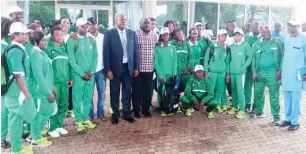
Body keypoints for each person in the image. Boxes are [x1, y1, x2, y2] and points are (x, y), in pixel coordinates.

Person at [4, 22, 37, 154]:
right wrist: (26, 92)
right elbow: (18, 76)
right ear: (15, 35)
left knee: (16, 118)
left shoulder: (17, 48)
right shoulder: (16, 51)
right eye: (24, 33)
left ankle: (17, 146)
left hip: (15, 90)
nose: (27, 35)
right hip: (16, 91)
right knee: (16, 119)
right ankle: (16, 149)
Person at [103, 13, 140, 124]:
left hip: (128, 67)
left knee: (127, 91)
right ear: (116, 20)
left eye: (125, 19)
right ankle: (115, 115)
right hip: (114, 69)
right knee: (114, 92)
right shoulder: (109, 33)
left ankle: (127, 113)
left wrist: (136, 67)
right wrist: (108, 69)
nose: (124, 21)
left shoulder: (131, 33)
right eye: (122, 19)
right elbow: (106, 53)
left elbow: (135, 52)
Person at [67, 17, 97, 131]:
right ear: (77, 27)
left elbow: (95, 57)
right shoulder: (72, 41)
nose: (85, 28)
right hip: (78, 76)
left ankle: (85, 119)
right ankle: (78, 121)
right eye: (83, 26)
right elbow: (71, 60)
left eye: (86, 26)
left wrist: (91, 71)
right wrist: (81, 74)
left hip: (90, 75)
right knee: (77, 98)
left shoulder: (91, 40)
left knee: (88, 98)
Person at [251, 25, 283, 125]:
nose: (267, 33)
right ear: (261, 32)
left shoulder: (277, 42)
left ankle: (276, 116)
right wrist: (254, 72)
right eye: (264, 32)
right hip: (260, 72)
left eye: (268, 31)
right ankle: (259, 111)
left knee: (274, 94)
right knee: (258, 93)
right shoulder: (257, 44)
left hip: (273, 72)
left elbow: (282, 56)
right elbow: (253, 59)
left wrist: (280, 70)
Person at [28, 31, 55, 147]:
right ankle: (35, 139)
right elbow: (38, 75)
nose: (46, 41)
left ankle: (34, 135)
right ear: (36, 42)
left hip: (45, 89)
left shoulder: (41, 53)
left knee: (46, 112)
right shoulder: (35, 53)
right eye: (43, 40)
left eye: (45, 39)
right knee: (39, 114)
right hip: (40, 91)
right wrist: (48, 92)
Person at [280, 20, 306, 131]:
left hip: (298, 73)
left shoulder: (304, 38)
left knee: (296, 98)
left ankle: (295, 121)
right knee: (287, 97)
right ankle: (288, 118)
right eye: (289, 26)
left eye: (293, 26)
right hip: (286, 72)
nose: (291, 28)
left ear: (298, 26)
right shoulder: (286, 38)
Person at [46, 27, 72, 137]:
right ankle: (52, 128)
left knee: (63, 105)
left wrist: (70, 78)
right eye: (57, 35)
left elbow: (68, 65)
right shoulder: (49, 48)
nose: (60, 37)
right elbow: (47, 69)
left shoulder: (65, 48)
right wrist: (51, 85)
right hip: (55, 83)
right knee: (54, 106)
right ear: (52, 36)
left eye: (61, 35)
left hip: (65, 82)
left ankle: (59, 125)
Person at [132, 17, 158, 118]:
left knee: (147, 91)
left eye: (149, 23)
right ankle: (136, 110)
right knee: (136, 91)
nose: (147, 24)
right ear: (140, 23)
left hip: (150, 69)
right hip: (138, 69)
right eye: (145, 22)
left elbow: (156, 51)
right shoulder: (135, 34)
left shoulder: (155, 35)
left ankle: (145, 110)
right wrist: (134, 67)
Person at [226, 28, 252, 119]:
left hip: (241, 73)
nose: (237, 36)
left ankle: (242, 109)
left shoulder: (246, 45)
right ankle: (234, 106)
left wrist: (243, 67)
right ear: (233, 36)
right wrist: (228, 73)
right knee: (233, 90)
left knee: (240, 91)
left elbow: (249, 58)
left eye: (239, 35)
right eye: (235, 35)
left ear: (242, 36)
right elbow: (228, 60)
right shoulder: (232, 46)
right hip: (232, 72)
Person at [204, 29, 230, 115]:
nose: (224, 37)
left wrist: (227, 75)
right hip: (212, 73)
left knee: (220, 91)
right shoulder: (212, 47)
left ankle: (217, 105)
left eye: (225, 36)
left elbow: (228, 62)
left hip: (222, 73)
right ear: (218, 37)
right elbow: (206, 60)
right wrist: (206, 72)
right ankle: (210, 109)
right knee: (211, 91)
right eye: (222, 36)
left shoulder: (227, 48)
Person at [87, 17, 107, 122]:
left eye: (93, 24)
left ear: (97, 25)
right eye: (89, 24)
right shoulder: (85, 38)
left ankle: (100, 113)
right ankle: (91, 115)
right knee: (89, 94)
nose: (92, 26)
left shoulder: (103, 37)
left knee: (102, 93)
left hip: (101, 70)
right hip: (89, 71)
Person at [154, 27, 177, 116]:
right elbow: (156, 63)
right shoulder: (157, 47)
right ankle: (162, 109)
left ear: (169, 35)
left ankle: (169, 107)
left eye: (167, 34)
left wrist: (174, 73)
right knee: (161, 91)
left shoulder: (173, 47)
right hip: (162, 75)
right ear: (161, 36)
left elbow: (175, 61)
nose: (166, 36)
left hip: (171, 74)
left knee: (170, 91)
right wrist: (161, 76)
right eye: (164, 34)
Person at [244, 20, 262, 112]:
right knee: (247, 85)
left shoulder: (262, 39)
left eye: (256, 26)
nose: (254, 27)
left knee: (258, 86)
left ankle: (256, 105)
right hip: (248, 66)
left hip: (258, 67)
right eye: (253, 26)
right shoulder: (247, 37)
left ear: (260, 27)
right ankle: (247, 104)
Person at [1, 18, 12, 149]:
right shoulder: (2, 45)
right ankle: (2, 137)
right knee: (4, 111)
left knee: (15, 110)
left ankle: (17, 132)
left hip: (14, 82)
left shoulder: (10, 43)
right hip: (4, 83)